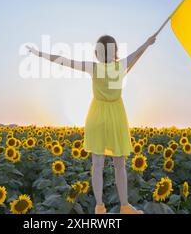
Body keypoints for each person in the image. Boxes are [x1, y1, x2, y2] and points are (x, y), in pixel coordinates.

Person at [26, 33, 157, 214]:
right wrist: (147, 43)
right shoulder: (120, 66)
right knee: (119, 164)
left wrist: (39, 53)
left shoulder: (94, 68)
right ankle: (125, 206)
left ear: (97, 52)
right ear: (115, 51)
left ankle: (99, 206)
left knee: (97, 164)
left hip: (97, 115)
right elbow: (137, 54)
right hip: (116, 115)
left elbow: (64, 60)